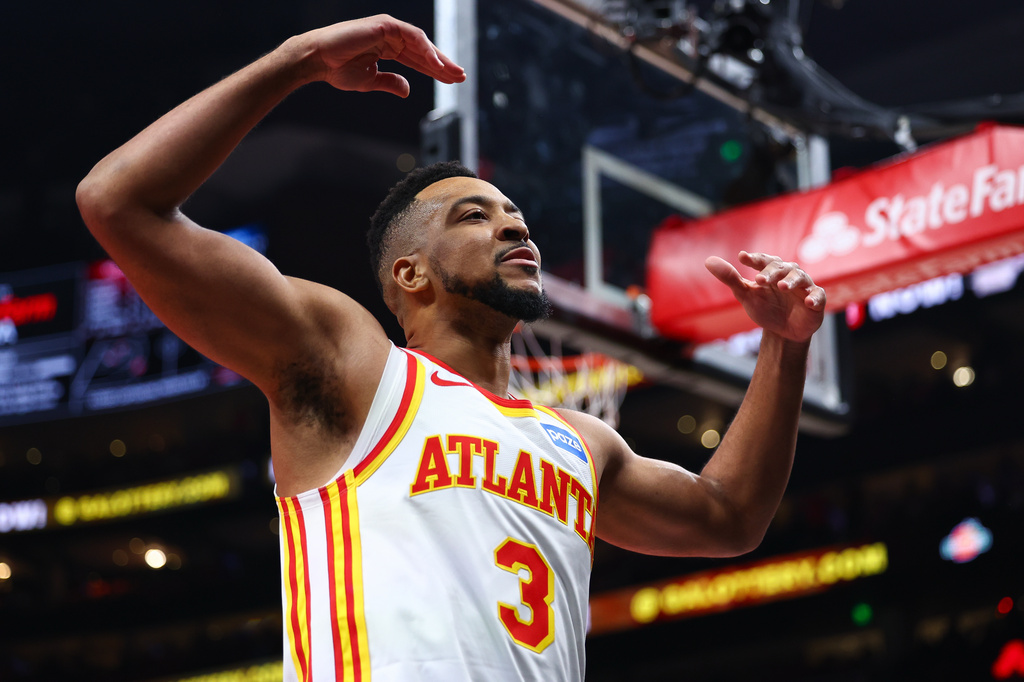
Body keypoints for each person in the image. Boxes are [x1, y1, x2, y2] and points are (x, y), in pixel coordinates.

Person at [76, 14, 826, 682]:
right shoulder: (357, 371)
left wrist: (784, 349)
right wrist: (299, 59)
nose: (514, 228)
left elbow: (729, 517)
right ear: (411, 273)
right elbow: (118, 201)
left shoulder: (580, 443)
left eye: (515, 215)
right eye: (476, 216)